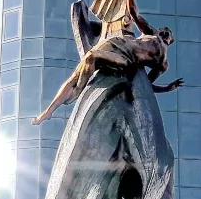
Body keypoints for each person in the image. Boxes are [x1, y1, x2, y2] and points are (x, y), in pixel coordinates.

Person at [32, 24, 183, 125]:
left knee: (91, 57)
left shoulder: (163, 62)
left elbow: (146, 84)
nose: (164, 33)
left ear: (171, 40)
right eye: (162, 31)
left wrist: (167, 88)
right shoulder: (149, 34)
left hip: (124, 58)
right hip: (115, 43)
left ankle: (77, 91)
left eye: (167, 34)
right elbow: (134, 13)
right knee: (75, 75)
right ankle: (48, 111)